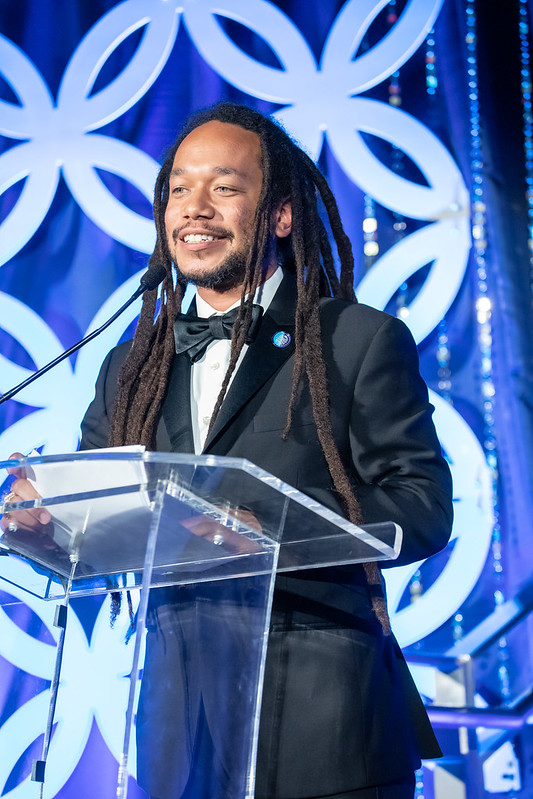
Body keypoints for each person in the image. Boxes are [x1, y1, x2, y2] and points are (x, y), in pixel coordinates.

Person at [6, 103, 452, 799]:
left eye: (224, 187)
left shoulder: (356, 340)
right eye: (179, 189)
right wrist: (45, 529)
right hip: (180, 739)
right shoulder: (131, 367)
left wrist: (269, 526)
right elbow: (97, 522)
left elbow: (421, 507)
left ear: (280, 215)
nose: (195, 208)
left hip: (328, 729)